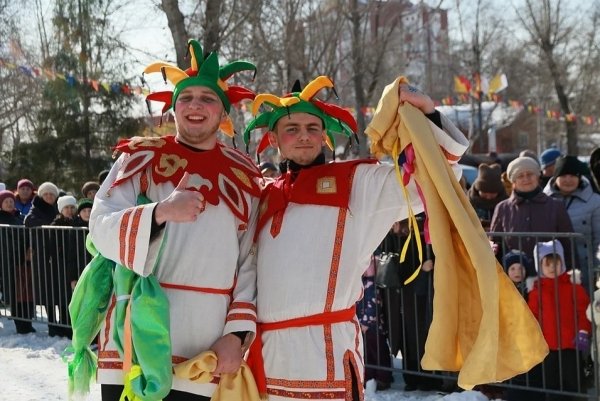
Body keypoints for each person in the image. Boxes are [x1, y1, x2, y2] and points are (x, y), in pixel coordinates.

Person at [242, 75, 469, 400]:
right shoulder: (261, 197)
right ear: (275, 139)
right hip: (266, 356)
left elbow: (439, 175)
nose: (303, 137)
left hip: (324, 352)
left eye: (312, 128)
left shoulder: (357, 183)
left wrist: (428, 113)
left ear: (325, 137)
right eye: (292, 129)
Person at [85, 39, 261, 401]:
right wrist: (161, 212)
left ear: (223, 113)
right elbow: (100, 227)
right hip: (129, 339)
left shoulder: (246, 177)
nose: (196, 106)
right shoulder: (138, 158)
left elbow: (252, 261)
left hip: (202, 347)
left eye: (207, 98)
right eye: (187, 98)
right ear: (174, 109)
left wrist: (238, 334)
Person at [490, 156, 574, 277]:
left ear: (537, 176)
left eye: (530, 174)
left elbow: (568, 244)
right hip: (516, 279)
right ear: (513, 181)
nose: (526, 179)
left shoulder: (556, 206)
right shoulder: (503, 208)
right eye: (520, 176)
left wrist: (571, 275)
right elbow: (494, 244)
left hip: (550, 279)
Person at [527, 240, 591, 401]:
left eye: (556, 263)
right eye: (547, 264)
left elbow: (584, 311)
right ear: (539, 265)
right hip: (548, 346)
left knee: (573, 381)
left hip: (571, 344)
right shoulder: (537, 291)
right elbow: (532, 316)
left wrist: (583, 331)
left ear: (562, 263)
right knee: (551, 382)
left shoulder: (573, 287)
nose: (552, 268)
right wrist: (533, 337)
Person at [543, 155, 600, 293]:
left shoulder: (595, 201)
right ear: (555, 177)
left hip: (585, 270)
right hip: (551, 269)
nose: (568, 180)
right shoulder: (543, 200)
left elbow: (598, 239)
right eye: (563, 175)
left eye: (573, 175)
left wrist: (597, 271)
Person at [0, 189, 35, 334]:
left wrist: (30, 249)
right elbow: (7, 244)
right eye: (5, 201)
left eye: (11, 201)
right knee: (16, 295)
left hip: (24, 261)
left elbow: (28, 234)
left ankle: (27, 322)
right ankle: (21, 325)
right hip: (10, 262)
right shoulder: (2, 219)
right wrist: (21, 256)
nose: (9, 203)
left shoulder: (20, 217)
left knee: (26, 293)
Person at [47, 195, 80, 338]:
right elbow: (53, 246)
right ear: (61, 210)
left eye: (72, 207)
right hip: (60, 264)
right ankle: (65, 325)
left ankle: (71, 325)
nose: (70, 210)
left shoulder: (77, 222)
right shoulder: (56, 224)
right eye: (66, 207)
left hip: (73, 262)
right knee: (63, 296)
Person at [467, 163, 508, 231]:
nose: (488, 197)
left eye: (492, 194)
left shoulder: (506, 204)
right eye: (484, 193)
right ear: (478, 190)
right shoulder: (467, 201)